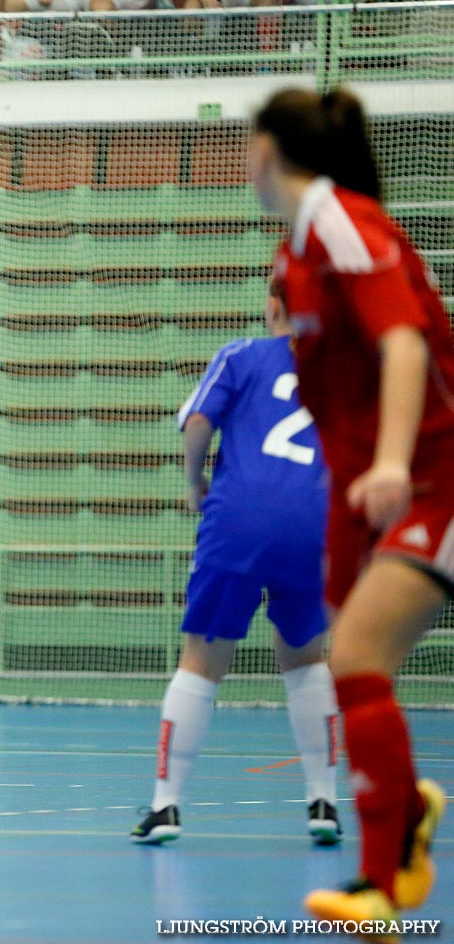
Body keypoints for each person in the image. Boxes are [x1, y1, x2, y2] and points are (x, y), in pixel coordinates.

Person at [249, 86, 449, 924]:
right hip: (359, 486)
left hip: (433, 473)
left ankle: (384, 878)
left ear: (267, 152)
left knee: (359, 657)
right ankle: (406, 816)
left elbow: (404, 343)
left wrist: (396, 461)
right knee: (355, 665)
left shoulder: (342, 223)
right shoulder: (294, 254)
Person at [130, 296, 341, 847]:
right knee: (306, 659)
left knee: (201, 661)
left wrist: (195, 481)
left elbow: (198, 419)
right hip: (313, 520)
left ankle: (166, 805)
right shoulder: (343, 366)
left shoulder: (242, 354)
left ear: (274, 305)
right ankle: (323, 802)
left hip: (239, 518)